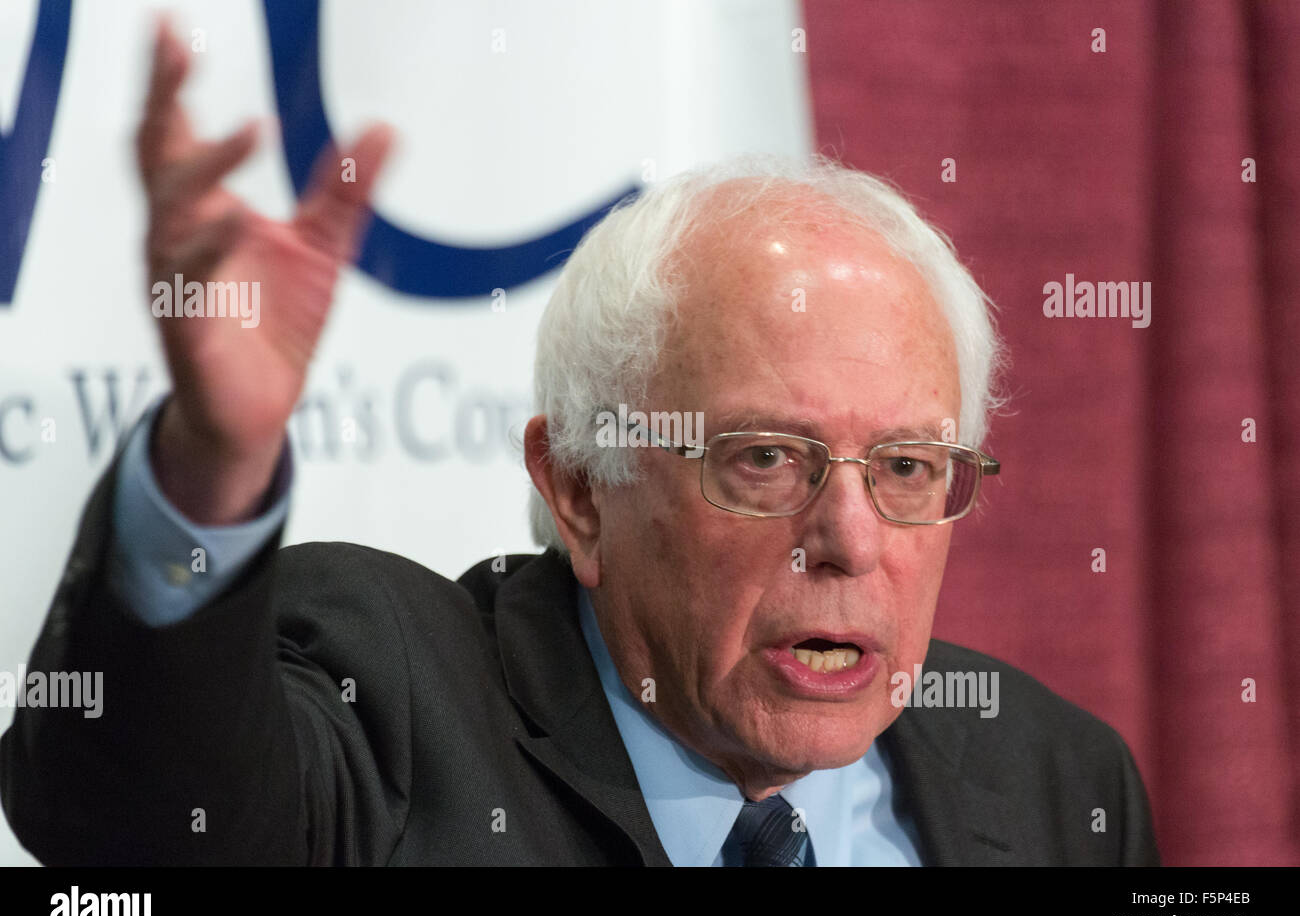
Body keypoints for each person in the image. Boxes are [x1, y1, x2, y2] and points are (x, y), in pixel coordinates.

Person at [0, 22, 1158, 866]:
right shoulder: (391, 699)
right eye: (766, 458)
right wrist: (211, 464)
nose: (850, 540)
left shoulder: (1058, 782)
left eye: (905, 466)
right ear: (579, 489)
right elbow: (128, 836)